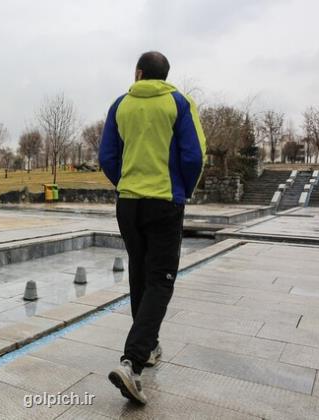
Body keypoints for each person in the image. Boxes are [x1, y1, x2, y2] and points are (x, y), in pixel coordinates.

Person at [99, 51, 206, 404]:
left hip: (128, 204)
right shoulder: (179, 102)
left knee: (140, 276)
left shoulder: (120, 105)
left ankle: (151, 344)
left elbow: (108, 158)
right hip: (164, 201)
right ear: (164, 76)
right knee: (161, 280)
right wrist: (181, 191)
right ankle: (133, 361)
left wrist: (125, 183)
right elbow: (193, 156)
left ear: (139, 73)